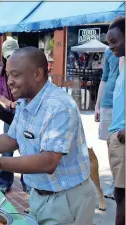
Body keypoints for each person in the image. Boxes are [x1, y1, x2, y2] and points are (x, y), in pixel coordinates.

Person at [0, 47, 95, 225]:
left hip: (67, 199)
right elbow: (12, 139)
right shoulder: (25, 102)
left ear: (37, 74)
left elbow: (49, 162)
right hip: (39, 194)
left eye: (15, 75)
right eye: (8, 75)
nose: (9, 82)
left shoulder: (59, 106)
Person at [0, 38, 29, 194]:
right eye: (8, 55)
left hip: (26, 111)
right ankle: (3, 181)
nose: (10, 58)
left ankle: (27, 182)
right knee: (7, 147)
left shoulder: (26, 69)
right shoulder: (0, 73)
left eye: (13, 55)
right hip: (11, 112)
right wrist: (10, 103)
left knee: (26, 148)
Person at [106, 16, 125, 225]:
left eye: (114, 41)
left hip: (123, 140)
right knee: (119, 195)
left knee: (122, 196)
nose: (110, 47)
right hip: (117, 138)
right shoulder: (122, 65)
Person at [94, 48, 119, 198]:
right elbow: (105, 78)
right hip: (108, 102)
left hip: (121, 101)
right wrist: (97, 105)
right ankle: (115, 182)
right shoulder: (110, 51)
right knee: (111, 145)